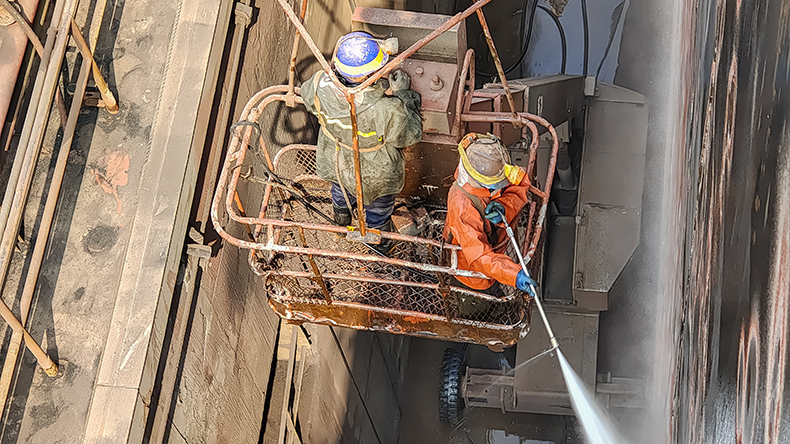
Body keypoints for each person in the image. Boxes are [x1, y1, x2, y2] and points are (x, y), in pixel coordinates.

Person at [300, 31, 422, 252]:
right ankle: (379, 245)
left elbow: (308, 99)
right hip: (377, 173)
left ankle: (341, 222)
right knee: (378, 208)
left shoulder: (318, 84)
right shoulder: (386, 109)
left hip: (336, 161)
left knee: (341, 191)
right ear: (369, 75)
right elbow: (411, 134)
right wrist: (403, 94)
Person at [443, 133, 538, 298]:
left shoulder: (494, 166)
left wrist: (504, 206)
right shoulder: (462, 206)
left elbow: (519, 182)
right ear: (480, 181)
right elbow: (480, 256)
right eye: (494, 185)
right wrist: (513, 275)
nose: (498, 187)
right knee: (481, 305)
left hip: (494, 260)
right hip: (472, 276)